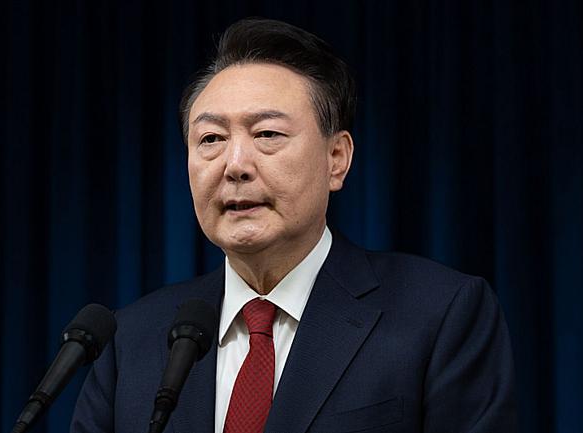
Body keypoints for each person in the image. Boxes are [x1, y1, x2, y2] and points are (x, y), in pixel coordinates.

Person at [71, 18, 517, 433]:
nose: (235, 164)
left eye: (267, 134)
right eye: (211, 139)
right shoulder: (129, 341)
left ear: (336, 158)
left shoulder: (440, 314)